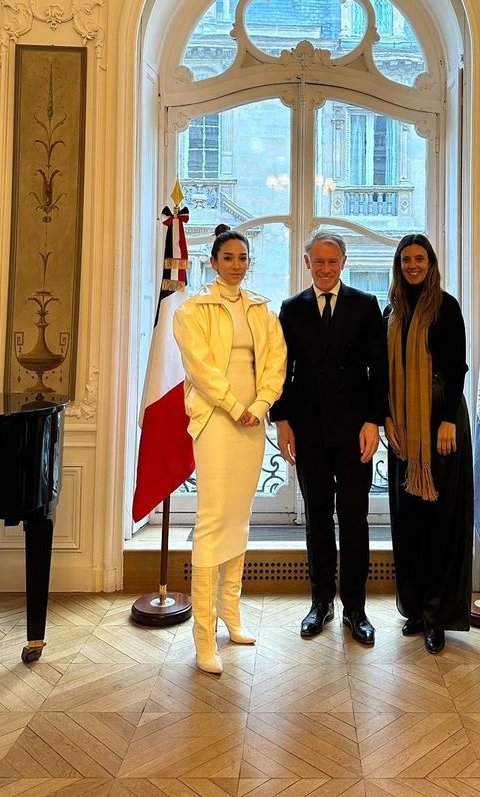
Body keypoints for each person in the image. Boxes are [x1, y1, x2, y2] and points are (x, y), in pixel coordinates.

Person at [173, 224, 287, 674]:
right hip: (216, 421)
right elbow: (200, 369)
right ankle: (203, 637)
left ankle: (231, 616)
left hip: (252, 422)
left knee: (239, 519)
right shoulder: (192, 310)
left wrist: (258, 405)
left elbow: (276, 360)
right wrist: (234, 405)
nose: (236, 265)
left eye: (243, 258)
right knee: (212, 520)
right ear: (214, 260)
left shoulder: (262, 309)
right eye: (228, 258)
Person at [271, 230, 388, 646]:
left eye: (332, 262)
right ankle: (320, 602)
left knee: (354, 519)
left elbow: (380, 370)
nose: (325, 269)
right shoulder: (291, 308)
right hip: (308, 431)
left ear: (343, 263)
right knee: (317, 518)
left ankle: (355, 608)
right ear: (307, 263)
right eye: (318, 262)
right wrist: (281, 419)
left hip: (355, 431)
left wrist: (374, 421)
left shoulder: (365, 305)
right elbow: (281, 371)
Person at [384, 233, 473, 654]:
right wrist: (387, 419)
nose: (413, 266)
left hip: (443, 425)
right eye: (406, 260)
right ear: (399, 266)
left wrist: (446, 422)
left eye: (420, 259)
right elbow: (382, 374)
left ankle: (439, 616)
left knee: (442, 524)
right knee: (409, 524)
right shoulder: (392, 311)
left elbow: (457, 365)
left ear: (431, 263)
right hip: (403, 430)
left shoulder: (446, 307)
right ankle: (415, 610)